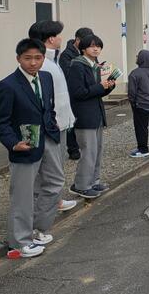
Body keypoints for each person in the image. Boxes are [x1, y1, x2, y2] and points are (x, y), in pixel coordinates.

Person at [0, 39, 61, 258]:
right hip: (24, 146)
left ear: (43, 58)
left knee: (55, 183)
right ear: (18, 59)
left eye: (37, 58)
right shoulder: (7, 85)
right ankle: (20, 242)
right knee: (22, 195)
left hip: (48, 139)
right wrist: (14, 143)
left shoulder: (46, 78)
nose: (33, 63)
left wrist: (52, 125)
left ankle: (37, 228)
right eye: (27, 58)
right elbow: (0, 123)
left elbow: (48, 108)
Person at [28, 21, 77, 214]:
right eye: (58, 35)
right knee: (47, 167)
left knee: (56, 165)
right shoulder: (42, 63)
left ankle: (54, 201)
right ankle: (42, 207)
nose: (61, 38)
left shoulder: (52, 59)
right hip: (51, 124)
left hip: (61, 121)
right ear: (50, 38)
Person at [68, 35, 116, 199]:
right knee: (88, 152)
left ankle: (94, 181)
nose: (96, 49)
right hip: (84, 115)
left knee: (97, 151)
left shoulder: (94, 66)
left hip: (96, 114)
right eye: (92, 46)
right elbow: (78, 93)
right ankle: (81, 186)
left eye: (98, 46)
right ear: (83, 48)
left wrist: (108, 87)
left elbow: (96, 92)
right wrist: (100, 87)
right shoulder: (77, 66)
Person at [59, 26, 93, 161]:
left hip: (87, 91)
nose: (89, 46)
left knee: (83, 120)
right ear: (77, 40)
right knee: (71, 121)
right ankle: (73, 148)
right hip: (71, 93)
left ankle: (83, 145)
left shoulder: (88, 52)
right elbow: (68, 75)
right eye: (86, 43)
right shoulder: (66, 55)